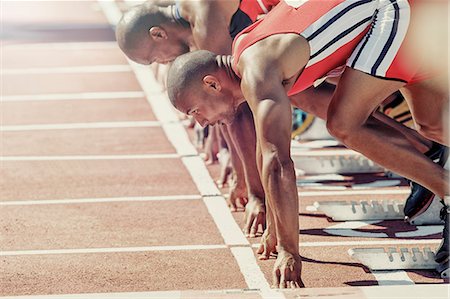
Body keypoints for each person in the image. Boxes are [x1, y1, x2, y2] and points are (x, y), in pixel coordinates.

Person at [166, 0, 449, 287]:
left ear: (212, 84)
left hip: (394, 11)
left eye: (196, 112)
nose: (201, 123)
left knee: (343, 124)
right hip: (402, 14)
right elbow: (267, 152)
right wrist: (276, 225)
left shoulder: (257, 73)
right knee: (434, 126)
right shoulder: (248, 50)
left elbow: (278, 163)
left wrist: (289, 250)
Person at [115, 0, 280, 236]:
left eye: (154, 58)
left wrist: (255, 193)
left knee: (311, 104)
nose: (163, 63)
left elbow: (236, 104)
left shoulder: (206, 23)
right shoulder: (192, 18)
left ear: (158, 34)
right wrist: (231, 158)